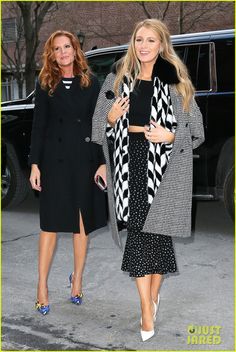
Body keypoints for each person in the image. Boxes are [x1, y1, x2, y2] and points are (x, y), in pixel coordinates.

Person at [92, 19, 205, 341]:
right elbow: (97, 124)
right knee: (141, 234)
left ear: (161, 45)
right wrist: (111, 118)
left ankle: (152, 298)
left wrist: (171, 136)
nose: (143, 45)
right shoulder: (117, 78)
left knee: (158, 235)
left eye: (151, 40)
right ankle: (145, 310)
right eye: (139, 39)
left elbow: (197, 132)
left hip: (166, 168)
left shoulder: (176, 81)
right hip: (129, 162)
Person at [29, 30, 107, 315]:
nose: (62, 52)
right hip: (54, 161)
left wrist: (102, 162)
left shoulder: (92, 82)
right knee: (49, 225)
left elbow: (99, 124)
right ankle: (42, 286)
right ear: (52, 54)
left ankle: (77, 281)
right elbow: (39, 126)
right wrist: (35, 164)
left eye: (67, 47)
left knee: (81, 224)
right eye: (57, 49)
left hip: (84, 159)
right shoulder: (46, 83)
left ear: (75, 50)